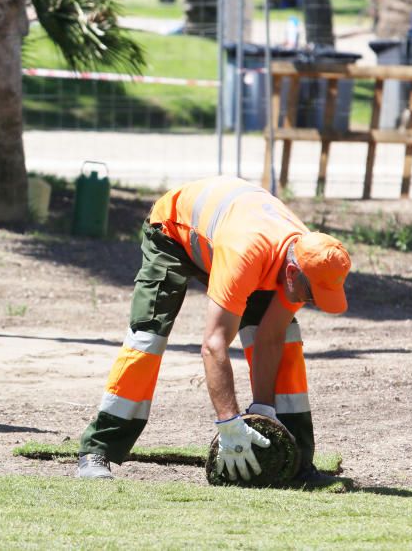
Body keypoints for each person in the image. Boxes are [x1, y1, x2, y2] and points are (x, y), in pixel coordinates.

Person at [76, 176, 351, 486]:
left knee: (286, 340)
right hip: (173, 233)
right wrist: (230, 424)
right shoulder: (246, 253)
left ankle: (295, 464)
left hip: (239, 239)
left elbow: (270, 336)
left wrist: (264, 412)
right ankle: (96, 450)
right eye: (311, 295)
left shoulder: (305, 256)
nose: (309, 302)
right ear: (291, 274)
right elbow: (214, 344)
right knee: (147, 338)